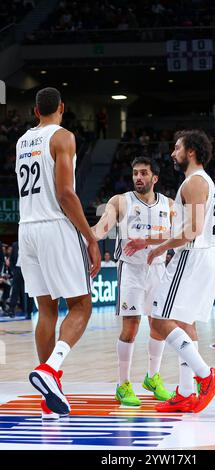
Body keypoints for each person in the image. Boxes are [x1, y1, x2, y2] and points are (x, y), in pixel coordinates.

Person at [16, 87, 101, 420]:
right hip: (55, 225)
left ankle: (49, 397)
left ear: (36, 111)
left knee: (45, 309)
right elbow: (66, 194)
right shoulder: (63, 136)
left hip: (27, 228)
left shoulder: (23, 141)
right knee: (81, 304)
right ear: (61, 108)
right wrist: (90, 236)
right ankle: (51, 370)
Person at [128, 130, 215, 414]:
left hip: (192, 257)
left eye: (177, 147)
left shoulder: (194, 183)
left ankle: (206, 376)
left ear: (191, 151)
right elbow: (185, 229)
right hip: (205, 255)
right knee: (184, 322)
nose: (173, 153)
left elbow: (191, 232)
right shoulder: (201, 181)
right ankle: (185, 392)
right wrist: (151, 242)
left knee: (159, 320)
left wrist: (159, 250)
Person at [92, 156, 173, 406]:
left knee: (160, 326)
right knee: (131, 328)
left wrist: (146, 239)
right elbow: (101, 228)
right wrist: (84, 236)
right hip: (131, 270)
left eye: (144, 173)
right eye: (135, 173)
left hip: (158, 269)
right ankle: (123, 384)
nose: (138, 177)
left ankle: (153, 377)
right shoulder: (120, 201)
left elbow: (179, 233)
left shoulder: (169, 204)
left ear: (154, 178)